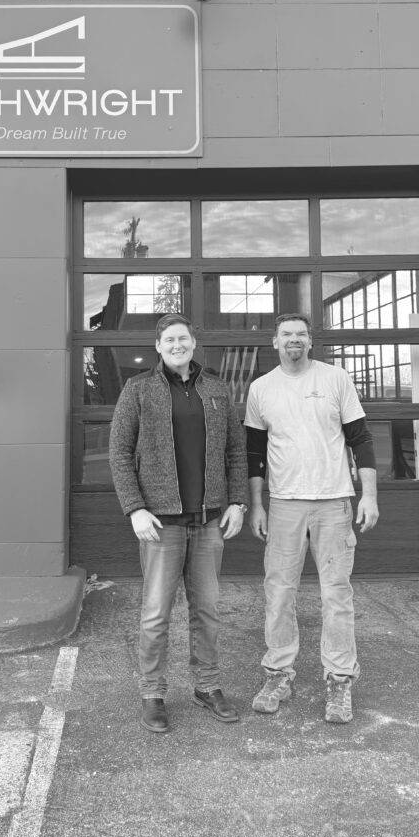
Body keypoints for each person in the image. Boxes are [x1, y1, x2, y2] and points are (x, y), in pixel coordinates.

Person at [109, 314, 248, 733]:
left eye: (183, 338)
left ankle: (207, 687)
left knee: (207, 612)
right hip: (160, 525)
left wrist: (237, 501)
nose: (177, 344)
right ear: (158, 346)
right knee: (155, 615)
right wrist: (134, 508)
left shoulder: (216, 390)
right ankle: (153, 694)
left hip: (207, 521)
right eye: (169, 339)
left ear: (193, 343)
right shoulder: (139, 389)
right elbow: (118, 452)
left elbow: (236, 451)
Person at [244, 313, 379, 724]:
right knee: (279, 592)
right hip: (284, 505)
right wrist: (258, 504)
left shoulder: (335, 379)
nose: (294, 340)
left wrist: (368, 496)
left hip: (334, 502)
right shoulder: (261, 389)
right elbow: (255, 454)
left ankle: (339, 680)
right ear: (274, 342)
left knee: (335, 594)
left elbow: (361, 440)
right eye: (286, 334)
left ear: (310, 341)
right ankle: (278, 674)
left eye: (301, 334)